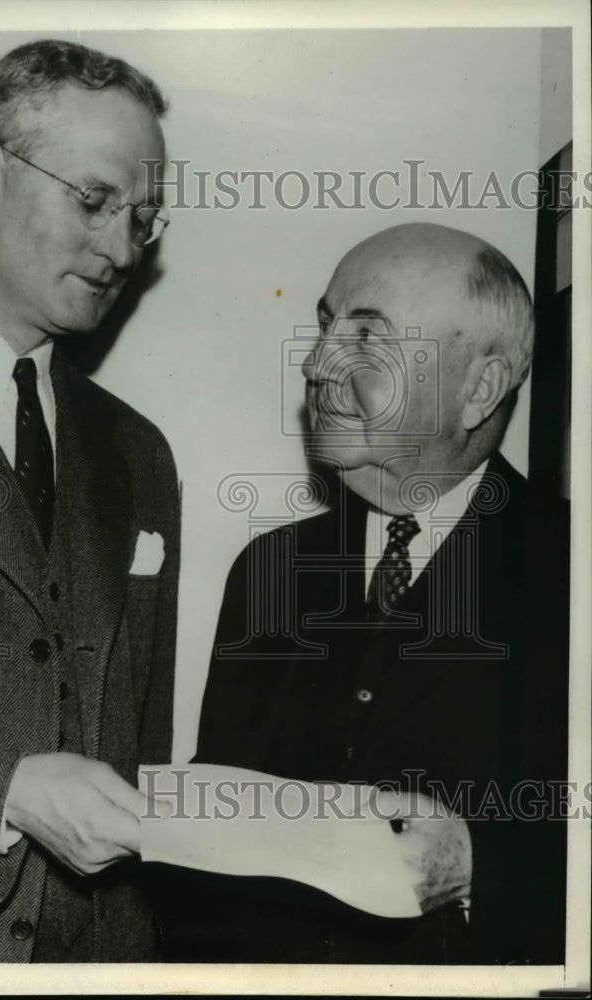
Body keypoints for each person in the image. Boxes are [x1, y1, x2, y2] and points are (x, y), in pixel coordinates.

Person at [157, 223, 568, 964]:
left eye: (366, 338)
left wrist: (477, 869)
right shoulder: (271, 570)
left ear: (480, 388)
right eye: (323, 325)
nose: (315, 363)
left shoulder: (572, 573)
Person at [0, 39, 179, 963]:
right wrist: (0, 793)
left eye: (143, 218)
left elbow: (143, 751)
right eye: (94, 201)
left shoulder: (140, 453)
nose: (122, 246)